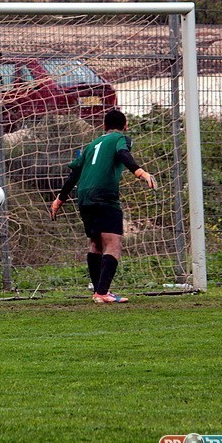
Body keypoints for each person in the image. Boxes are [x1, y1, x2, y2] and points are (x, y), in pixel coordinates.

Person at [50, 109, 157, 304]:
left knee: (96, 243)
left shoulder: (91, 145)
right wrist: (141, 173)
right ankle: (102, 292)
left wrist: (60, 199)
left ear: (104, 126)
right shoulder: (120, 138)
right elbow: (123, 153)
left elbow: (74, 174)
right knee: (113, 243)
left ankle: (98, 292)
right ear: (125, 126)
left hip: (83, 196)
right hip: (104, 194)